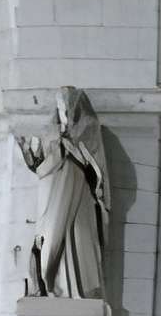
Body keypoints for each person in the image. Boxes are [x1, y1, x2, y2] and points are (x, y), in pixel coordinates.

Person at [19, 87, 110, 300]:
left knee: (77, 240)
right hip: (55, 194)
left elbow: (95, 168)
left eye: (68, 109)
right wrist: (30, 153)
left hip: (78, 195)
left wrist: (71, 146)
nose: (65, 115)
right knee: (48, 235)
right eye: (61, 110)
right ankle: (46, 283)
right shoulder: (53, 138)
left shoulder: (88, 131)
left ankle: (73, 290)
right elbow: (43, 166)